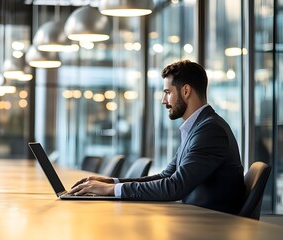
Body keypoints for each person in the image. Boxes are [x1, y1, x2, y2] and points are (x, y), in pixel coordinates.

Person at [69, 60, 246, 215]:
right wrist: (111, 182)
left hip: (212, 226)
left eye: (167, 92)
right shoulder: (199, 127)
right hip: (197, 217)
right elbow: (166, 176)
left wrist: (111, 190)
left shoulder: (210, 131)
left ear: (186, 91)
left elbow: (174, 187)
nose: (163, 100)